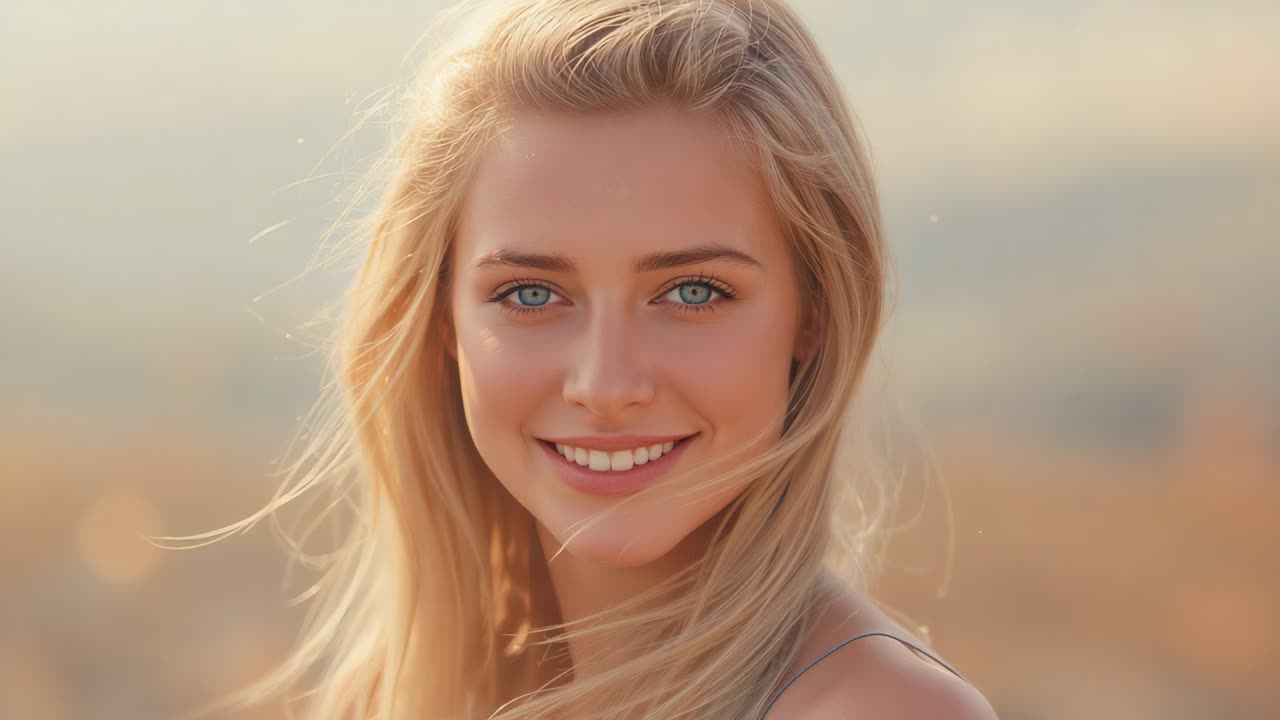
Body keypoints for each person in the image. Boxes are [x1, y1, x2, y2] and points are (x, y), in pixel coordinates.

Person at [197, 0, 999, 718]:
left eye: (691, 292)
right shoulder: (404, 699)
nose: (606, 386)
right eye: (532, 295)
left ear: (814, 314)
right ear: (439, 315)